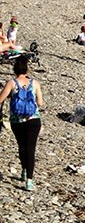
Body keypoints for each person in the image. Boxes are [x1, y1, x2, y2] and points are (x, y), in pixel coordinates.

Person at [0, 56, 44, 191]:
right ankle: (29, 181)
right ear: (27, 69)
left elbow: (0, 99)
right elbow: (40, 103)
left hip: (16, 120)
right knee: (31, 149)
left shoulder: (11, 83)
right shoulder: (34, 83)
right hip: (33, 119)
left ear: (14, 69)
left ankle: (24, 169)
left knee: (22, 146)